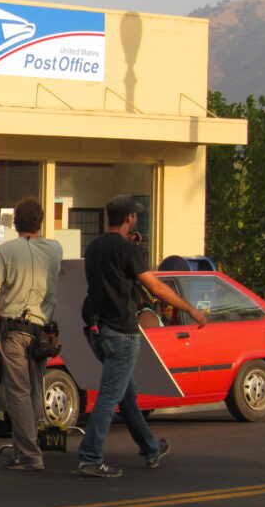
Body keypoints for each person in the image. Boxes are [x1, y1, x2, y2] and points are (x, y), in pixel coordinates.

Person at [77, 195, 208, 477]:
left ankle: (150, 448)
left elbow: (111, 277)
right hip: (121, 332)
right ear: (129, 219)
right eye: (135, 215)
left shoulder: (94, 246)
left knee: (126, 394)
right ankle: (90, 457)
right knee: (111, 394)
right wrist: (191, 310)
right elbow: (157, 289)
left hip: (96, 329)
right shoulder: (128, 251)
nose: (136, 219)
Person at [0, 197, 62, 472]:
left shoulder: (6, 251)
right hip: (42, 331)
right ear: (40, 222)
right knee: (34, 389)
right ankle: (27, 447)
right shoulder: (55, 249)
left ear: (16, 222)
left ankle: (30, 455)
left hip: (14, 329)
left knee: (18, 392)